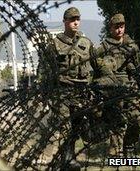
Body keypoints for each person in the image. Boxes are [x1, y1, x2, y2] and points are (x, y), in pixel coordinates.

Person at [38, 7, 97, 170]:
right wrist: (44, 93)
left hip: (81, 92)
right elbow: (44, 69)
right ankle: (67, 159)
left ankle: (68, 157)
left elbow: (97, 65)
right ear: (65, 21)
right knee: (65, 127)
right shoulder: (54, 44)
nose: (75, 22)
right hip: (62, 92)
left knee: (76, 127)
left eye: (77, 19)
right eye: (71, 19)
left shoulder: (86, 43)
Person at [96, 13, 140, 157]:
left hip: (131, 87)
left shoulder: (132, 45)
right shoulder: (104, 47)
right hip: (113, 88)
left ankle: (129, 147)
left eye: (122, 27)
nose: (119, 30)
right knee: (117, 121)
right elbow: (95, 65)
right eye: (116, 27)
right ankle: (115, 154)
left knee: (136, 117)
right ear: (111, 28)